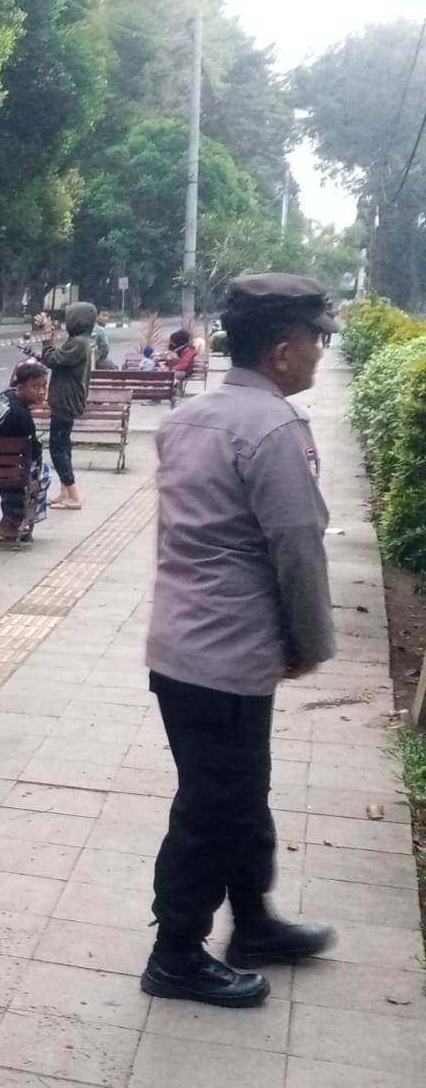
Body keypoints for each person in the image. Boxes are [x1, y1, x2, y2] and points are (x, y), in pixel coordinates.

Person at [140, 273, 339, 1008]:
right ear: (283, 352)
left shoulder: (193, 419)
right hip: (227, 656)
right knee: (210, 804)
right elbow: (296, 544)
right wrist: (310, 641)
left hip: (182, 647)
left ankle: (252, 919)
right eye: (316, 339)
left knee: (240, 793)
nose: (320, 351)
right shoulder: (275, 429)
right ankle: (175, 953)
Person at [0, 360, 49, 540]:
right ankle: (11, 522)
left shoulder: (4, 396)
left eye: (44, 386)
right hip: (8, 469)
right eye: (35, 386)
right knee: (41, 473)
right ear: (21, 385)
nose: (41, 391)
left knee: (14, 468)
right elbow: (34, 451)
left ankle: (8, 521)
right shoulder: (22, 416)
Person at [39, 302, 95, 510]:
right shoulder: (79, 341)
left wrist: (47, 336)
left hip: (66, 402)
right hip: (66, 400)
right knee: (64, 447)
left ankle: (73, 495)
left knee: (58, 449)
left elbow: (52, 359)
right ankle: (64, 491)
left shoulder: (78, 343)